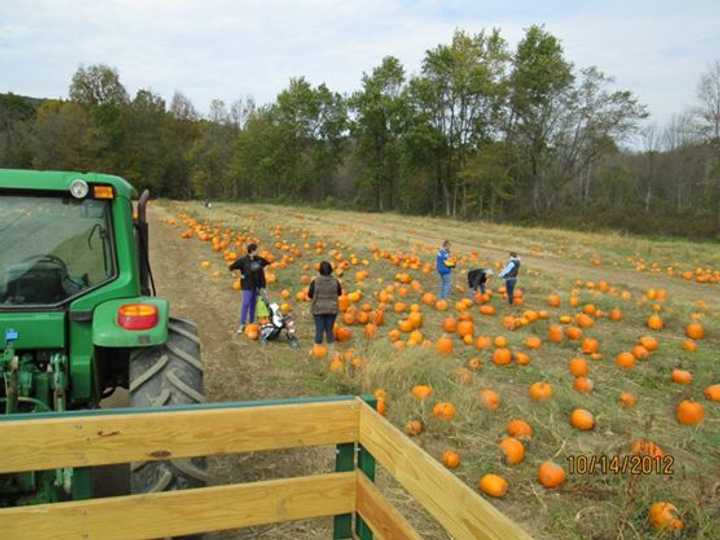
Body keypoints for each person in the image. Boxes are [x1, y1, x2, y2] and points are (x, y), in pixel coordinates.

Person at [229, 243, 269, 333]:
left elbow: (267, 263)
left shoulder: (259, 260)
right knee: (246, 303)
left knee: (253, 305)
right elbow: (231, 267)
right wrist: (237, 275)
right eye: (256, 250)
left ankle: (251, 322)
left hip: (256, 286)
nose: (258, 251)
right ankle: (242, 324)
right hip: (247, 285)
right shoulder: (243, 260)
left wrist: (265, 273)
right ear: (252, 251)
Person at [307, 261, 342, 349]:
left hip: (318, 310)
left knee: (319, 330)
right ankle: (331, 352)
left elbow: (310, 295)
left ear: (319, 271)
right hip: (332, 309)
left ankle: (317, 350)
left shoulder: (315, 282)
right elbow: (339, 293)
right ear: (331, 270)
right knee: (329, 330)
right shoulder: (335, 282)